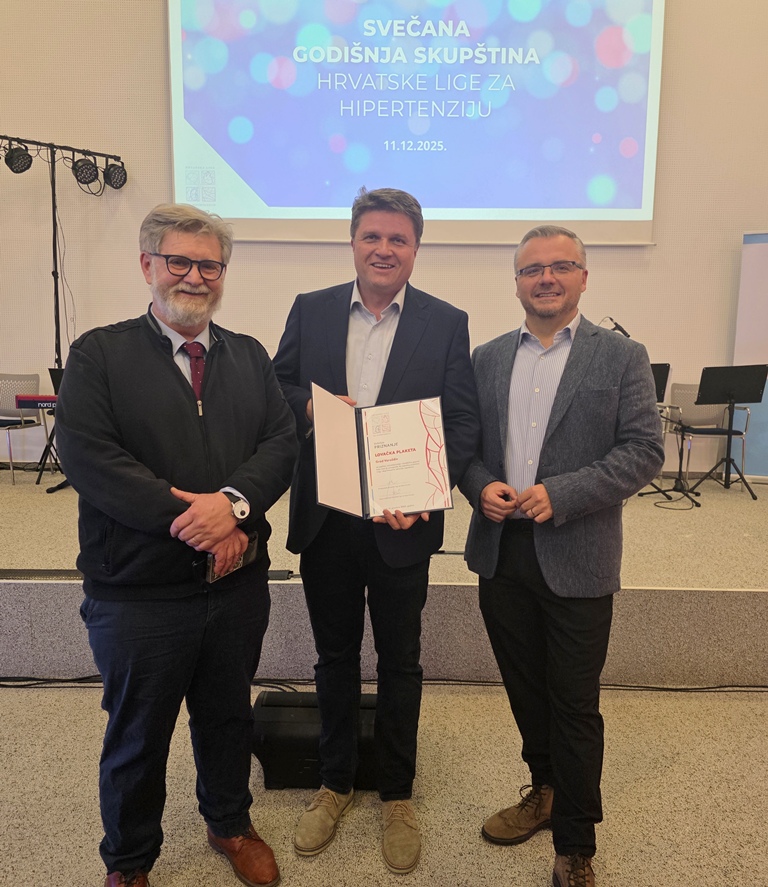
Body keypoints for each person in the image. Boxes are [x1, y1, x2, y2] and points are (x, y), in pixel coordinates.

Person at [55, 203, 298, 887]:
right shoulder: (99, 354)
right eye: (179, 261)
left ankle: (229, 823)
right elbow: (92, 458)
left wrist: (234, 507)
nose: (194, 276)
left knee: (227, 717)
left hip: (236, 586)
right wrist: (198, 520)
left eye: (209, 265)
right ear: (148, 265)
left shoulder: (249, 356)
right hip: (138, 591)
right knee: (138, 735)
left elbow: (280, 444)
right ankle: (129, 860)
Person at [272, 187, 478, 874]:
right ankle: (334, 782)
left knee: (400, 661)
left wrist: (428, 494)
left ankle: (396, 792)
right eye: (372, 237)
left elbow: (460, 423)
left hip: (401, 524)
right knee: (333, 657)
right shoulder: (311, 308)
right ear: (353, 241)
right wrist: (314, 408)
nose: (384, 249)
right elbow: (278, 387)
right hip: (327, 521)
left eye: (398, 239)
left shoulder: (447, 323)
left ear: (415, 248)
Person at [458, 226, 664, 887]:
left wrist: (564, 493)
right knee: (525, 688)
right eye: (532, 269)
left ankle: (576, 843)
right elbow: (465, 447)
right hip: (502, 552)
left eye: (561, 266)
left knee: (574, 703)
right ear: (516, 282)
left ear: (583, 277)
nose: (546, 278)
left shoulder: (622, 356)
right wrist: (478, 484)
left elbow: (644, 450)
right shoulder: (487, 357)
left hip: (578, 552)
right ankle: (544, 789)